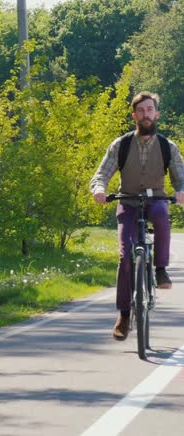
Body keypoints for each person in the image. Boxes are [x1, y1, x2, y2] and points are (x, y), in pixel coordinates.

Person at [90, 91, 184, 341]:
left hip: (156, 200)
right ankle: (124, 315)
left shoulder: (167, 146)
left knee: (163, 217)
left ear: (157, 114)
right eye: (141, 111)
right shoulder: (120, 145)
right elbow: (102, 174)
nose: (146, 115)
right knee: (125, 256)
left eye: (150, 110)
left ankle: (161, 269)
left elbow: (180, 176)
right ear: (134, 116)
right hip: (128, 201)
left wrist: (181, 190)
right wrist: (99, 189)